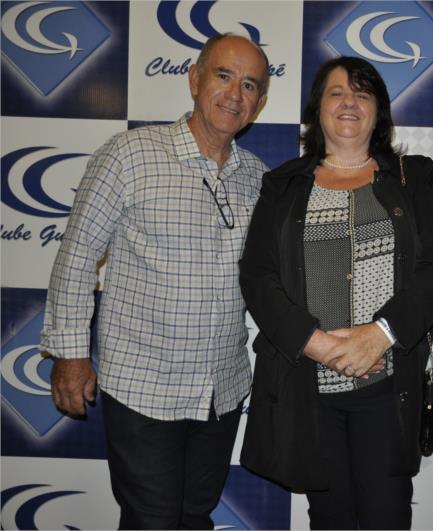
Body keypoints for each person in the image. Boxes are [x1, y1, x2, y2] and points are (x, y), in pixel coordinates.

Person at [40, 34, 269, 529]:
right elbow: (77, 256)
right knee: (152, 521)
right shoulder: (129, 154)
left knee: (194, 517)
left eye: (250, 85)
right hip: (144, 388)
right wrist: (70, 354)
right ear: (194, 79)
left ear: (260, 101)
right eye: (223, 76)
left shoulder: (257, 177)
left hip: (221, 390)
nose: (235, 94)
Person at [238, 56, 433, 530]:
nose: (349, 103)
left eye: (362, 94)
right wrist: (317, 344)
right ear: (317, 109)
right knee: (329, 520)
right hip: (308, 389)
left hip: (388, 386)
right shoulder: (283, 185)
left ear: (379, 112)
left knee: (387, 517)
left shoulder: (413, 176)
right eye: (336, 93)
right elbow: (258, 276)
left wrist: (379, 335)